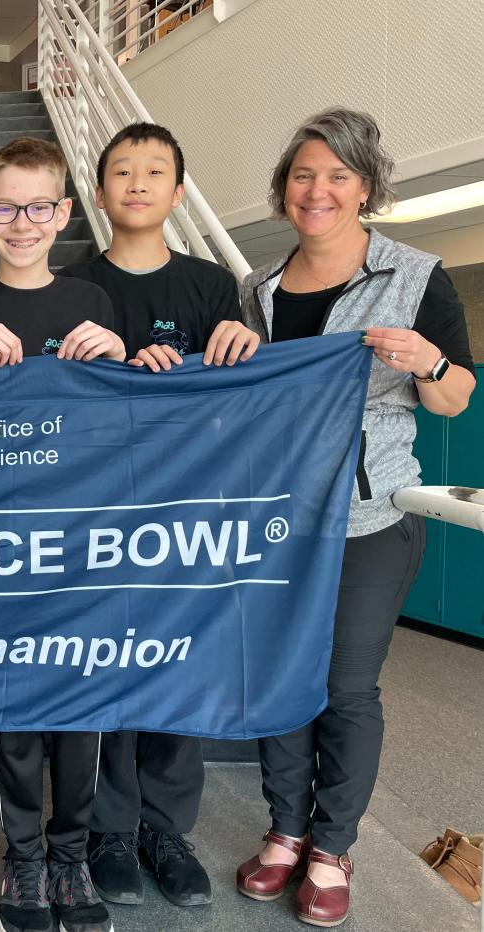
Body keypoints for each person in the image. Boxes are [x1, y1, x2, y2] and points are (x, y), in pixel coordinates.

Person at [234, 108, 475, 928]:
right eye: (304, 174)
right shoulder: (260, 291)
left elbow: (454, 400)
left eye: (337, 175)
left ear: (365, 187)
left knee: (343, 687)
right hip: (282, 521)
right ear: (284, 189)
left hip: (373, 521)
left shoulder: (415, 275)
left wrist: (427, 359)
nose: (319, 190)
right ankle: (284, 831)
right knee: (280, 683)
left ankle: (331, 847)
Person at [0, 136, 124, 932]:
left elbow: (120, 435)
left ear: (65, 214)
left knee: (78, 718)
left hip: (77, 551)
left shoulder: (94, 305)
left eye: (39, 206)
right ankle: (26, 867)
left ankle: (72, 863)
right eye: (6, 207)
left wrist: (115, 360)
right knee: (13, 722)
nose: (23, 221)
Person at [60, 122, 257, 910]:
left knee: (177, 667)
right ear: (98, 190)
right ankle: (110, 830)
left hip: (184, 515)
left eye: (155, 172)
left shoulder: (211, 287)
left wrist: (242, 348)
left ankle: (166, 831)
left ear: (179, 192)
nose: (137, 183)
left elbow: (238, 410)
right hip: (97, 517)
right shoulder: (71, 285)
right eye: (121, 171)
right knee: (110, 670)